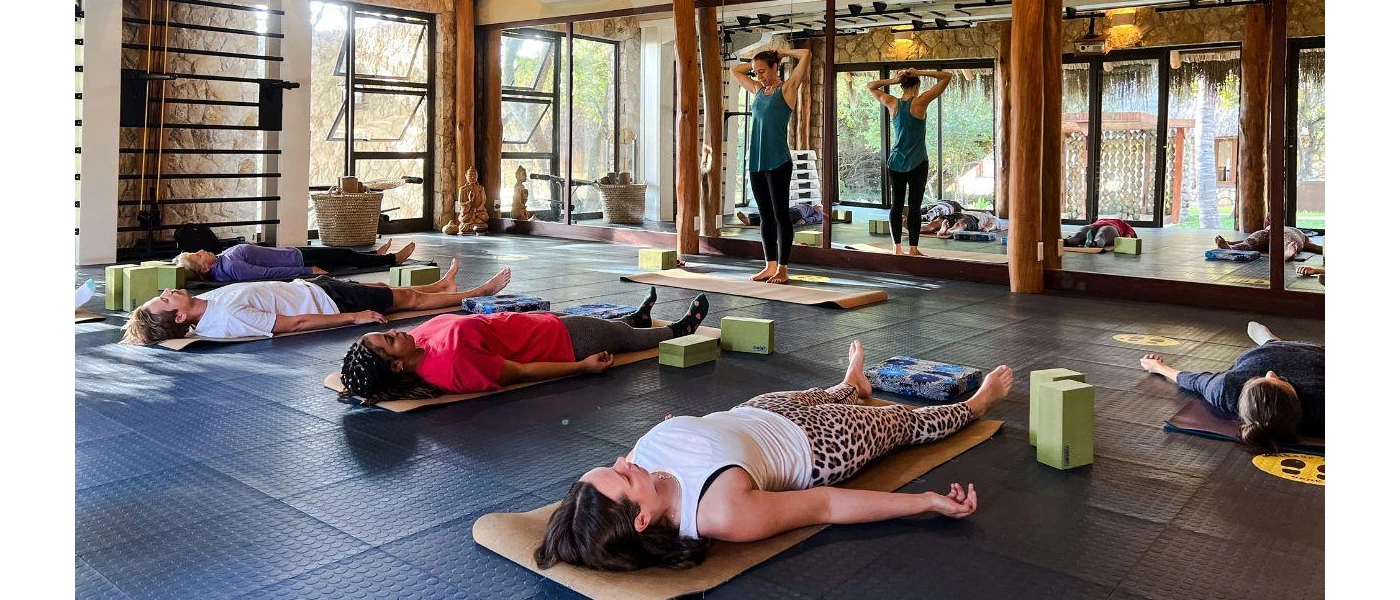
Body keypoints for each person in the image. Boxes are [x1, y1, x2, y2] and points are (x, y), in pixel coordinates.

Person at [534, 340, 1014, 571]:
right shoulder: (720, 512)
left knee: (823, 391)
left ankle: (851, 385)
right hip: (819, 444)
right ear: (640, 521)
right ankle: (975, 405)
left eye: (614, 463)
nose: (624, 461)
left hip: (756, 411)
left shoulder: (638, 473)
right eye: (623, 476)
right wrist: (926, 502)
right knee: (904, 421)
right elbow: (826, 504)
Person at [337, 288, 710, 404]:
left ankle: (636, 318)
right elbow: (520, 373)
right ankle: (676, 330)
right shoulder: (451, 366)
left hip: (540, 326)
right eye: (388, 340)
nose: (395, 333)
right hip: (561, 344)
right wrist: (581, 367)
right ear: (397, 367)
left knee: (611, 326)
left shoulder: (415, 342)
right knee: (626, 341)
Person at [121, 259, 510, 345]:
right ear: (178, 314)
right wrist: (353, 317)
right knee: (405, 297)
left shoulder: (202, 304)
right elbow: (294, 325)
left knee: (381, 284)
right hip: (328, 301)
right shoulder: (227, 320)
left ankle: (443, 286)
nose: (166, 291)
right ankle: (477, 294)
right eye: (164, 299)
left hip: (312, 286)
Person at [1139, 321, 1323, 453]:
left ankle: (1271, 340)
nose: (1270, 373)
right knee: (1256, 328)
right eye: (1280, 379)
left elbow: (1194, 380)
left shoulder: (1227, 388)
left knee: (1256, 328)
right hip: (1311, 353)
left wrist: (1160, 368)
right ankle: (1271, 340)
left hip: (1268, 352)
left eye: (1259, 378)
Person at [730, 47, 812, 285]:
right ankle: (769, 266)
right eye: (756, 73)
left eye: (763, 71)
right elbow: (736, 70)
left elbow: (806, 55)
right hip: (756, 161)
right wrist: (756, 61)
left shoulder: (786, 90)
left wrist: (780, 52)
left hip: (778, 161)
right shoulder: (757, 90)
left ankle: (783, 269)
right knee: (765, 216)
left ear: (775, 67)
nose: (759, 76)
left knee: (780, 216)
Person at [867, 68, 954, 257]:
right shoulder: (921, 101)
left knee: (896, 205)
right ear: (917, 85)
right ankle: (913, 249)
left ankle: (897, 248)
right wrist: (920, 71)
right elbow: (947, 76)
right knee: (914, 206)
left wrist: (892, 80)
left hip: (896, 162)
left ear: (902, 85)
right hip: (917, 162)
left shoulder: (891, 102)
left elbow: (870, 86)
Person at [174, 240, 416, 283]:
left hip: (292, 253)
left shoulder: (223, 262)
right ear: (204, 268)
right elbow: (267, 274)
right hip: (298, 259)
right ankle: (391, 259)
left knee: (343, 256)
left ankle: (374, 256)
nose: (202, 250)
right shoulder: (231, 267)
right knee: (342, 256)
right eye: (198, 255)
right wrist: (306, 270)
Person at [1214, 225, 1322, 261]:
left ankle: (1288, 251)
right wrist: (1231, 242)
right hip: (1268, 231)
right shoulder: (1300, 233)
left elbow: (1315, 247)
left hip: (1280, 232)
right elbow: (1315, 247)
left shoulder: (1300, 233)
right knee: (1253, 239)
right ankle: (1232, 247)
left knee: (1287, 239)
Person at [1063, 218, 1137, 249]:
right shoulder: (1126, 225)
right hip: (1110, 227)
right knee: (1101, 236)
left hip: (1093, 225)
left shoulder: (1102, 219)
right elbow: (1128, 237)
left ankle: (1068, 241)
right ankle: (1093, 243)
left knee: (1079, 236)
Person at [735, 202, 823, 227]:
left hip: (798, 214)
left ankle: (751, 221)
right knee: (772, 212)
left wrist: (804, 220)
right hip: (792, 209)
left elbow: (815, 218)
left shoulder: (820, 211)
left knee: (778, 217)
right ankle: (751, 217)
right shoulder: (810, 206)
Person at [921, 210, 999, 238]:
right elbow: (993, 225)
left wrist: (988, 228)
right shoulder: (987, 216)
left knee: (936, 223)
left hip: (964, 216)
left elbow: (993, 225)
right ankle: (947, 231)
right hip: (964, 215)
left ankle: (914, 230)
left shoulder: (990, 217)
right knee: (961, 224)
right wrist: (988, 228)